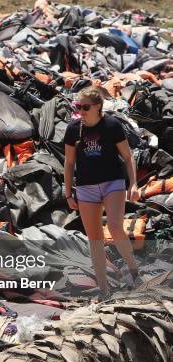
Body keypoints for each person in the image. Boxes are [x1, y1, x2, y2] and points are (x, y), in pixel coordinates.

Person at [63, 86, 141, 298]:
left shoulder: (112, 125)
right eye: (78, 107)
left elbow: (127, 156)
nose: (81, 111)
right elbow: (69, 163)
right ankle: (104, 291)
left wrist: (133, 184)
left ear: (98, 106)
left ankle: (134, 272)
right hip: (86, 188)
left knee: (115, 226)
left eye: (85, 107)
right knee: (94, 239)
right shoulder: (73, 129)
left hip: (112, 183)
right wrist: (68, 192)